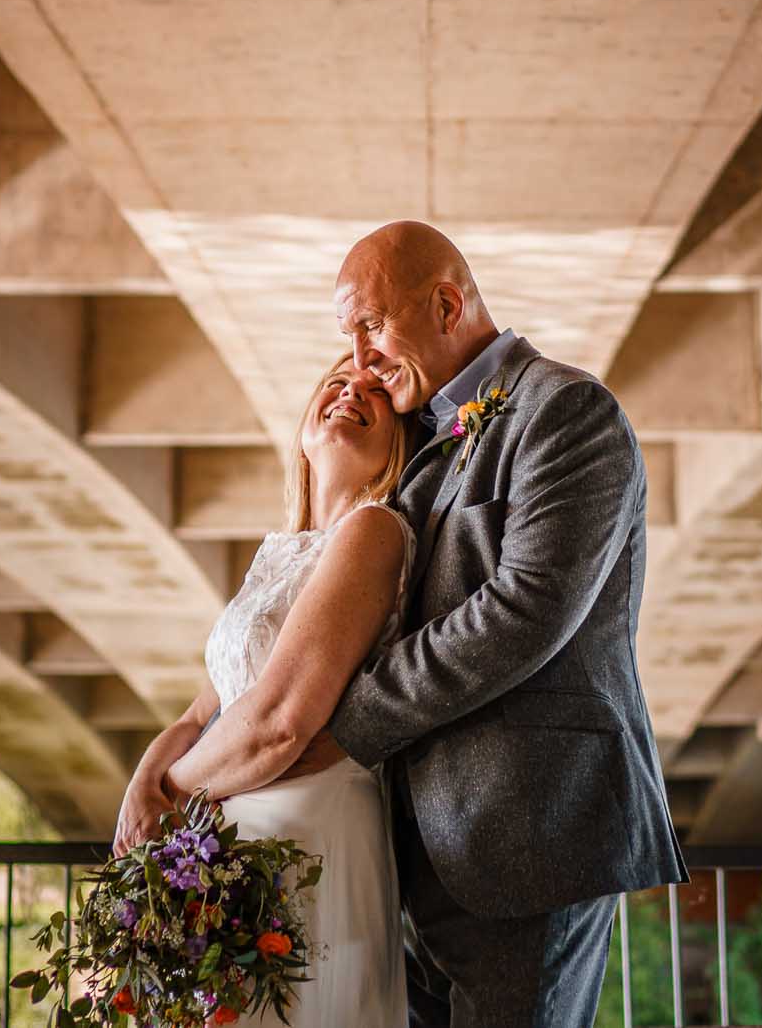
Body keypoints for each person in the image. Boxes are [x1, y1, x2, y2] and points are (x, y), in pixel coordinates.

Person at [123, 220, 684, 1028]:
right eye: (346, 337)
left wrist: (337, 728)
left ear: (448, 302)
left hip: (530, 836)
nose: (357, 361)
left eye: (370, 325)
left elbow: (522, 613)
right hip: (404, 858)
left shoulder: (565, 411)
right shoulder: (424, 437)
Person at [117, 350, 414, 1026]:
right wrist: (142, 781)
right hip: (229, 856)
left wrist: (172, 798)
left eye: (374, 391)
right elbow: (205, 709)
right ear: (304, 427)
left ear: (399, 438)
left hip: (306, 848)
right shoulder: (279, 551)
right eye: (337, 382)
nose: (350, 391)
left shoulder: (371, 531)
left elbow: (280, 722)